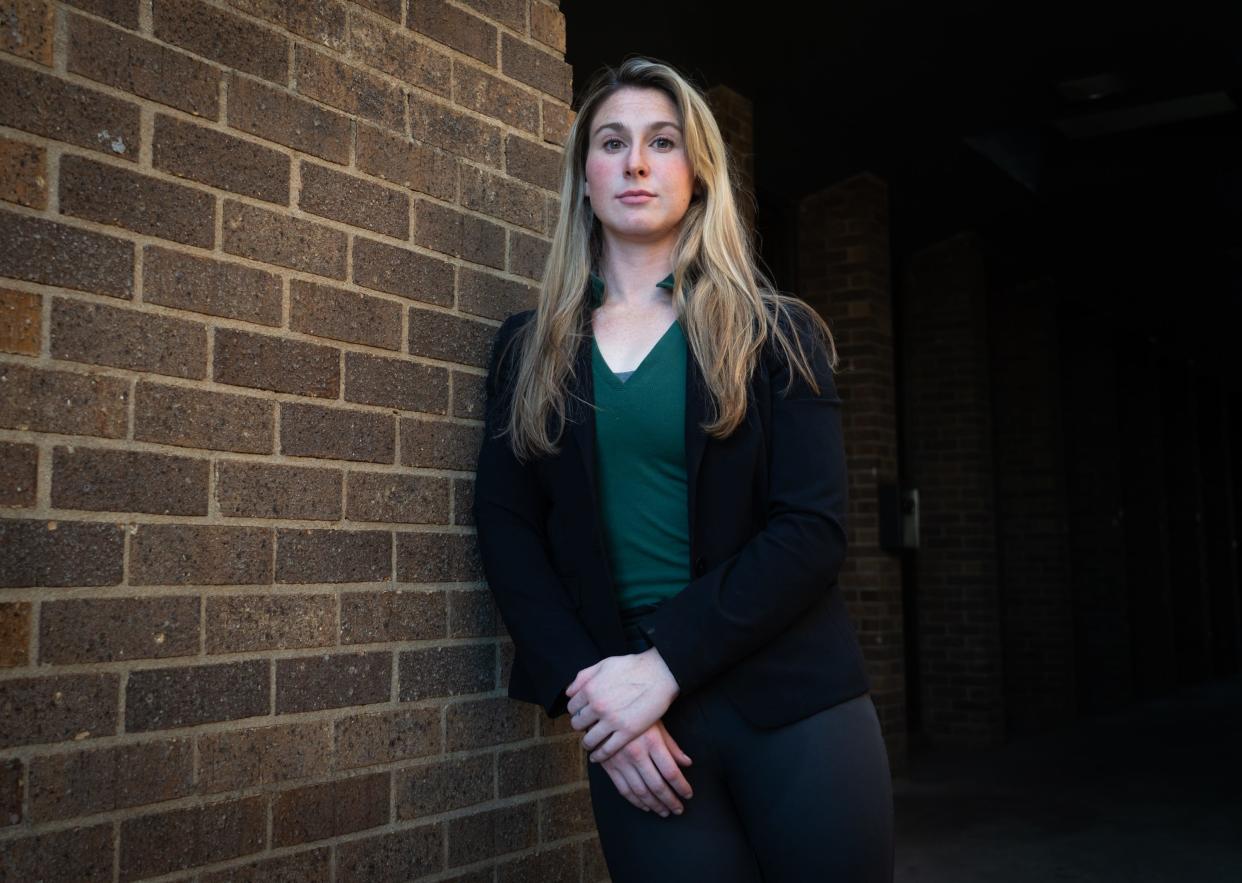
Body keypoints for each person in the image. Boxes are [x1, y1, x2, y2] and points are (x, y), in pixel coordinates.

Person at [473, 56, 894, 882]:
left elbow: (811, 530)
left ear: (696, 174)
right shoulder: (529, 349)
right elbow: (507, 529)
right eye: (612, 141)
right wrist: (601, 708)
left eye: (662, 142)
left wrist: (661, 668)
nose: (635, 162)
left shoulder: (778, 334)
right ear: (582, 176)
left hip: (794, 704)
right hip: (638, 736)